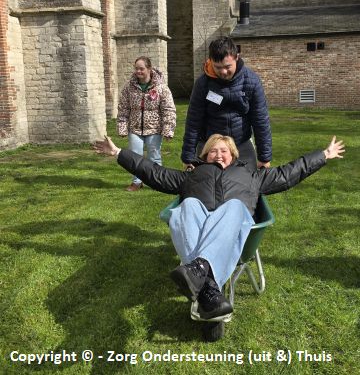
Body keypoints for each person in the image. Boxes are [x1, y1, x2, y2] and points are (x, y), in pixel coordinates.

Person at [93, 133, 345, 319]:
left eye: (224, 150)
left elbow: (288, 173)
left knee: (234, 206)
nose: (218, 154)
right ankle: (209, 288)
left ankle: (198, 271)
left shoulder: (251, 176)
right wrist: (119, 153)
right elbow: (154, 172)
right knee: (187, 205)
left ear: (233, 155)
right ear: (204, 156)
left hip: (233, 226)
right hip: (199, 226)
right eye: (213, 151)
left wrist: (323, 155)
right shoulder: (192, 176)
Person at [182, 36, 271, 170]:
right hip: (209, 146)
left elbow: (260, 120)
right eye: (217, 67)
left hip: (242, 144)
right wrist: (188, 157)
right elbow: (194, 121)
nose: (223, 72)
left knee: (247, 182)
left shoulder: (252, 81)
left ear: (236, 57)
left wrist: (264, 157)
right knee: (207, 182)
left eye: (227, 66)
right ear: (210, 61)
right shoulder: (202, 84)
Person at [117, 56, 176, 191]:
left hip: (154, 128)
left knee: (154, 156)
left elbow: (169, 109)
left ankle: (158, 182)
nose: (138, 71)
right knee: (135, 157)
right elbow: (123, 108)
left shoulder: (161, 87)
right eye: (136, 68)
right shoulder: (129, 87)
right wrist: (122, 127)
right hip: (135, 128)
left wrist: (168, 129)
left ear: (149, 69)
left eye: (141, 69)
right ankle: (137, 182)